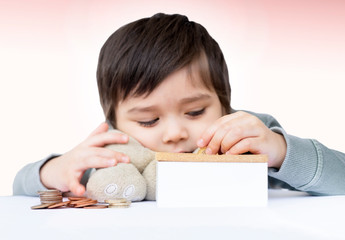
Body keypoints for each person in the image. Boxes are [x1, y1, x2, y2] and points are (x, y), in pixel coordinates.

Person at [13, 13, 345, 197]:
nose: (174, 133)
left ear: (224, 104)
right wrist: (53, 170)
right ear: (113, 122)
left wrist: (282, 152)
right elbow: (19, 186)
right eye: (147, 120)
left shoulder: (246, 141)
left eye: (196, 112)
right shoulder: (111, 153)